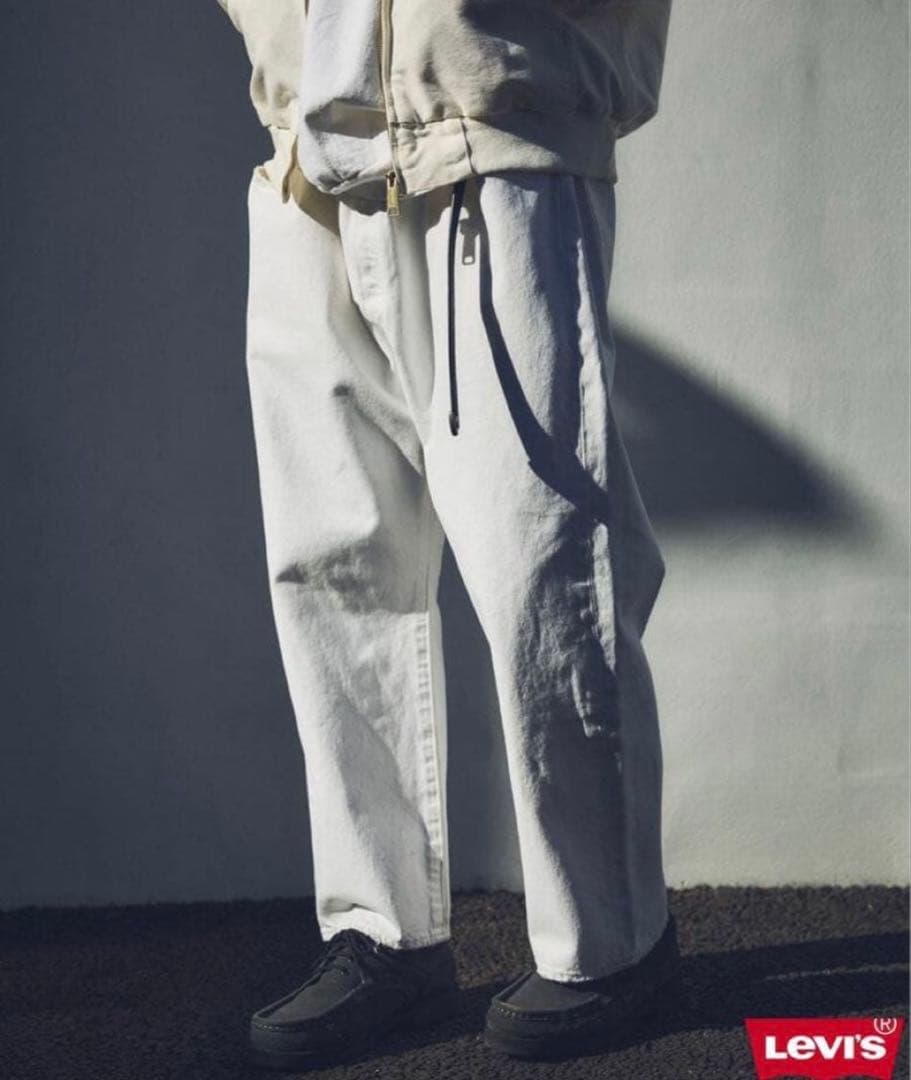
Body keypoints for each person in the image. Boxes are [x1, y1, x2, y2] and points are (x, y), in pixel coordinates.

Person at [215, 0, 680, 1069]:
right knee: (331, 569)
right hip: (301, 150)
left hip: (491, 121)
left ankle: (611, 942)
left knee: (543, 560)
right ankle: (383, 932)